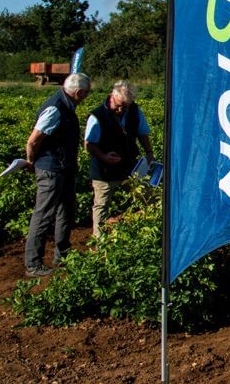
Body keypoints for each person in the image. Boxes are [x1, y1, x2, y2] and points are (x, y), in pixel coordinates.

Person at [22, 72, 91, 277]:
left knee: (66, 211)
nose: (87, 96)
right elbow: (33, 140)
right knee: (43, 215)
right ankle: (33, 264)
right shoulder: (55, 108)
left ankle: (63, 254)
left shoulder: (66, 106)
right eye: (86, 92)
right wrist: (31, 161)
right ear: (78, 92)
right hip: (51, 169)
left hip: (64, 168)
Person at [85, 80, 155, 237]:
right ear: (112, 96)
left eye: (125, 106)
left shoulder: (134, 111)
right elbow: (88, 144)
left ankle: (143, 234)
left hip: (130, 166)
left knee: (146, 198)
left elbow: (142, 133)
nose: (121, 109)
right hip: (104, 170)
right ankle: (99, 241)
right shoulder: (97, 116)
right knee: (101, 205)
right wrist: (103, 156)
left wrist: (149, 152)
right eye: (118, 105)